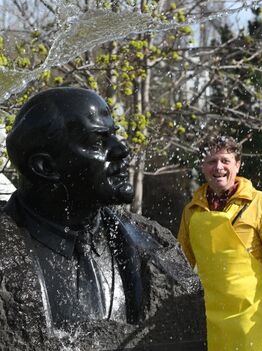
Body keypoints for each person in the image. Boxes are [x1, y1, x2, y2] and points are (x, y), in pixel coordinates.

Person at [0, 87, 206, 350]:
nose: (121, 149)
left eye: (114, 134)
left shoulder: (154, 247)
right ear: (46, 167)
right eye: (99, 140)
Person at [178, 136, 262, 350]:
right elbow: (180, 265)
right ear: (202, 166)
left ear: (237, 164)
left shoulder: (261, 204)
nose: (218, 167)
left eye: (225, 161)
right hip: (207, 314)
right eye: (211, 161)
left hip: (250, 314)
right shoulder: (191, 210)